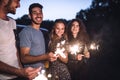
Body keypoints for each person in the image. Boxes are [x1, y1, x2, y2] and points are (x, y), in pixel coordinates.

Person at [0, 0, 41, 80]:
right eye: (17, 1)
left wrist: (21, 68)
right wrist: (19, 72)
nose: (19, 5)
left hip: (18, 75)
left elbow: (15, 47)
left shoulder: (13, 22)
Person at [19, 3, 56, 72]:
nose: (38, 15)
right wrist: (45, 56)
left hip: (42, 71)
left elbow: (39, 54)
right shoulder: (26, 32)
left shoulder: (40, 32)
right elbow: (23, 58)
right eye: (35, 13)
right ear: (30, 16)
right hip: (32, 73)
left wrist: (49, 57)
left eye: (40, 12)